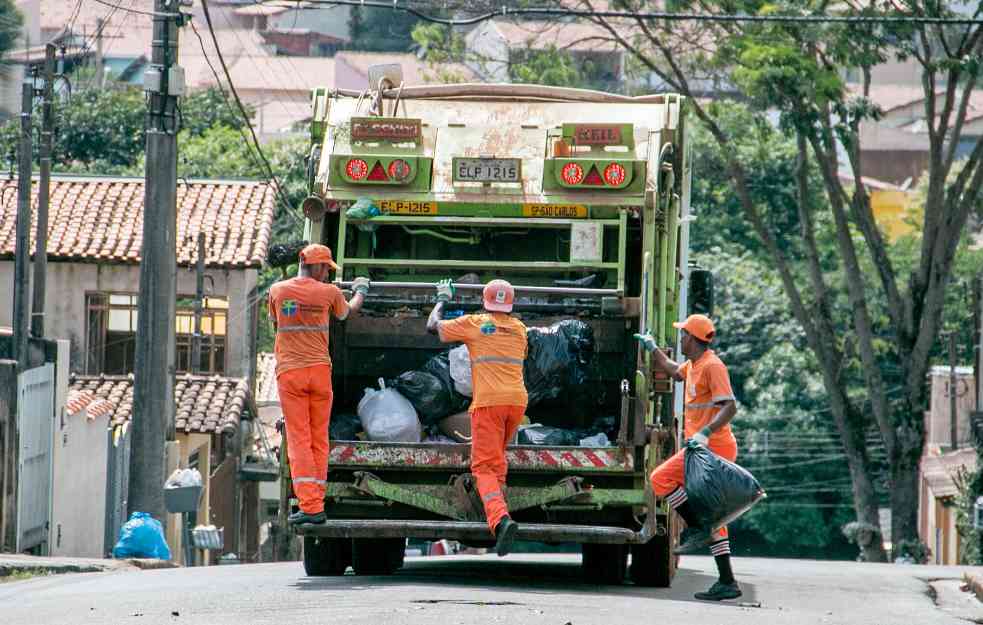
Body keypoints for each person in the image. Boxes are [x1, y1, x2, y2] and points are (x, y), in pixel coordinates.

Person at [635, 314, 741, 601]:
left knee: (660, 478)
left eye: (683, 335)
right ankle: (727, 580)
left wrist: (705, 432)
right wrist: (652, 347)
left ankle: (696, 528)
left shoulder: (713, 366)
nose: (680, 338)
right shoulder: (694, 365)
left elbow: (730, 407)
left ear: (693, 339)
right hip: (701, 449)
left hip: (712, 448)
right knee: (715, 518)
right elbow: (672, 369)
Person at [269, 244, 369, 525]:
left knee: (300, 440)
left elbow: (276, 323)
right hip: (319, 374)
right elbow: (347, 314)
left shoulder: (278, 291)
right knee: (318, 439)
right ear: (309, 264)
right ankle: (316, 500)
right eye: (324, 267)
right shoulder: (330, 293)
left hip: (291, 374)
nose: (327, 272)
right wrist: (361, 290)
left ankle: (311, 506)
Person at [427, 278, 527, 556]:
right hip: (517, 402)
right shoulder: (520, 329)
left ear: (485, 301)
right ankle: (499, 508)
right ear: (510, 303)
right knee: (497, 461)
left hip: (489, 404)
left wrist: (443, 299)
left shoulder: (475, 323)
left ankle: (499, 520)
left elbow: (432, 327)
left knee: (482, 467)